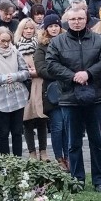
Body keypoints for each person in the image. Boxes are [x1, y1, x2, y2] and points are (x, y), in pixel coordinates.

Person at [46, 6, 101, 192]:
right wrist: (73, 75)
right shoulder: (57, 42)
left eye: (80, 18)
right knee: (73, 143)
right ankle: (77, 180)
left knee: (97, 141)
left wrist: (88, 74)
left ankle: (99, 181)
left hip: (95, 96)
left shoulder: (99, 40)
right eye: (73, 19)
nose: (77, 22)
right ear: (67, 21)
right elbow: (51, 64)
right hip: (69, 97)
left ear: (86, 19)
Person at [0, 27, 33, 156]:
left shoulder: (15, 52)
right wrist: (2, 79)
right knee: (3, 134)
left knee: (17, 133)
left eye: (8, 41)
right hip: (0, 101)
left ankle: (18, 163)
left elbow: (25, 72)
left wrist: (16, 76)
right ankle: (5, 166)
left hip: (17, 98)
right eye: (3, 41)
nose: (5, 44)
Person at [33, 14, 69, 170]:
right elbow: (41, 69)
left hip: (68, 89)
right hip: (52, 91)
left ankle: (69, 156)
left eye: (56, 26)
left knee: (68, 125)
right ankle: (59, 157)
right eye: (51, 26)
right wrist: (61, 72)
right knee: (57, 126)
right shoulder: (41, 47)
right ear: (46, 29)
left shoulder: (67, 41)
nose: (54, 29)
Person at [15, 19, 49, 161]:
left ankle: (43, 151)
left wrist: (37, 70)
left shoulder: (40, 45)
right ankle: (31, 152)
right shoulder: (15, 47)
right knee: (27, 120)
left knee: (42, 119)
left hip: (40, 83)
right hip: (25, 85)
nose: (29, 31)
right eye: (26, 28)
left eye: (31, 28)